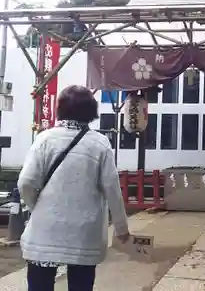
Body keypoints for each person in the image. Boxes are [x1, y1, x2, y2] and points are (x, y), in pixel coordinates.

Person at [18, 85, 130, 291]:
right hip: (84, 235)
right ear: (91, 111)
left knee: (39, 285)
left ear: (60, 108)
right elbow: (112, 189)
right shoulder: (100, 144)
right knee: (81, 285)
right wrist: (122, 228)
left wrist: (38, 207)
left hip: (46, 231)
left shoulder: (44, 139)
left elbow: (26, 182)